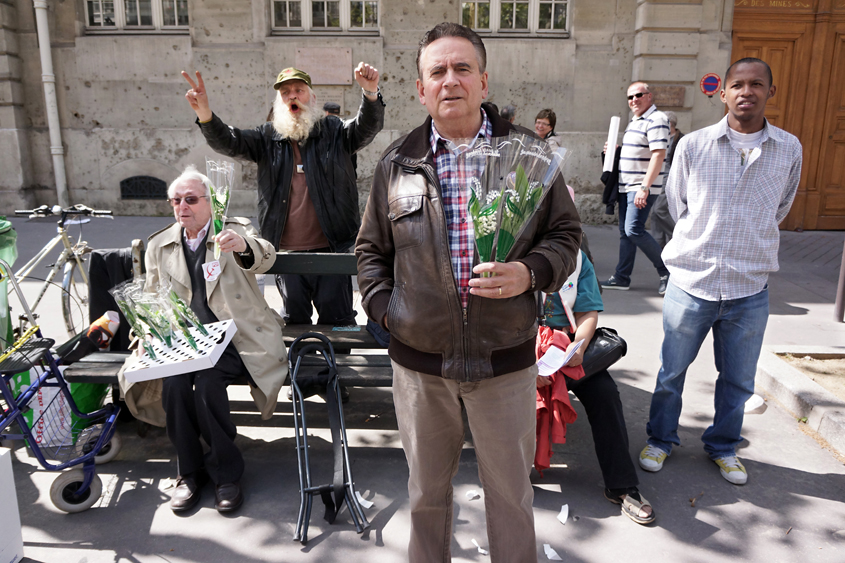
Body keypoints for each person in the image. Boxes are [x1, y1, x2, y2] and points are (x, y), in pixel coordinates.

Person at [356, 22, 581, 562]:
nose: (450, 80)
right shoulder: (396, 163)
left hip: (503, 362)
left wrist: (529, 273)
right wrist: (391, 313)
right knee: (426, 497)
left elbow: (567, 236)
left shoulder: (528, 154)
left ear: (483, 80)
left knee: (510, 498)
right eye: (437, 71)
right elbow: (369, 252)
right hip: (420, 367)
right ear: (420, 88)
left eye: (462, 69)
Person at [638, 58, 802, 485]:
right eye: (738, 85)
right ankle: (660, 439)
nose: (747, 92)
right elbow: (678, 206)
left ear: (770, 91)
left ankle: (724, 446)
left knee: (738, 380)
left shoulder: (789, 149)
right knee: (671, 372)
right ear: (724, 93)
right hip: (692, 282)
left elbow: (779, 208)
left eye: (756, 85)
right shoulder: (694, 145)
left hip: (750, 287)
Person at [119, 166, 287, 514]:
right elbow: (152, 296)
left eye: (191, 199)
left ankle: (227, 475)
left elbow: (266, 256)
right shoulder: (160, 244)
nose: (183, 207)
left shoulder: (234, 230)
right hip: (185, 341)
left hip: (234, 338)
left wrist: (244, 246)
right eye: (176, 201)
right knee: (176, 387)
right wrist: (148, 334)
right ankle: (189, 473)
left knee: (209, 386)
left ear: (211, 202)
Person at [182, 63, 384, 327]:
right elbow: (230, 142)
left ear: (311, 98)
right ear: (278, 102)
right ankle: (301, 368)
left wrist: (370, 93)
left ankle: (337, 368)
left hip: (333, 250)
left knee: (339, 321)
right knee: (294, 322)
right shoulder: (267, 138)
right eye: (285, 92)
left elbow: (366, 127)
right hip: (285, 254)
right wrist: (205, 114)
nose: (292, 96)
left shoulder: (334, 132)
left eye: (299, 90)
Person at [536, 242, 655, 525]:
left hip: (566, 348)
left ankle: (621, 485)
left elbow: (587, 312)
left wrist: (578, 346)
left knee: (605, 394)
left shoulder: (576, 258)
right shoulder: (511, 253)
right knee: (508, 395)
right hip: (523, 348)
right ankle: (506, 480)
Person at [600, 82, 671, 294]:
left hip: (639, 187)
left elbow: (658, 154)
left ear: (649, 96)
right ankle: (622, 277)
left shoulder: (657, 119)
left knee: (633, 229)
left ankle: (668, 272)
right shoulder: (635, 121)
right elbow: (641, 150)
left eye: (638, 95)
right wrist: (616, 150)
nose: (634, 100)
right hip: (626, 186)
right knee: (625, 233)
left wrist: (645, 187)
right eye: (630, 97)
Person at [650, 110, 684, 248]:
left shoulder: (681, 139)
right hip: (655, 177)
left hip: (670, 177)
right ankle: (658, 245)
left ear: (670, 124)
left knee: (659, 210)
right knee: (654, 213)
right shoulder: (659, 137)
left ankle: (679, 237)